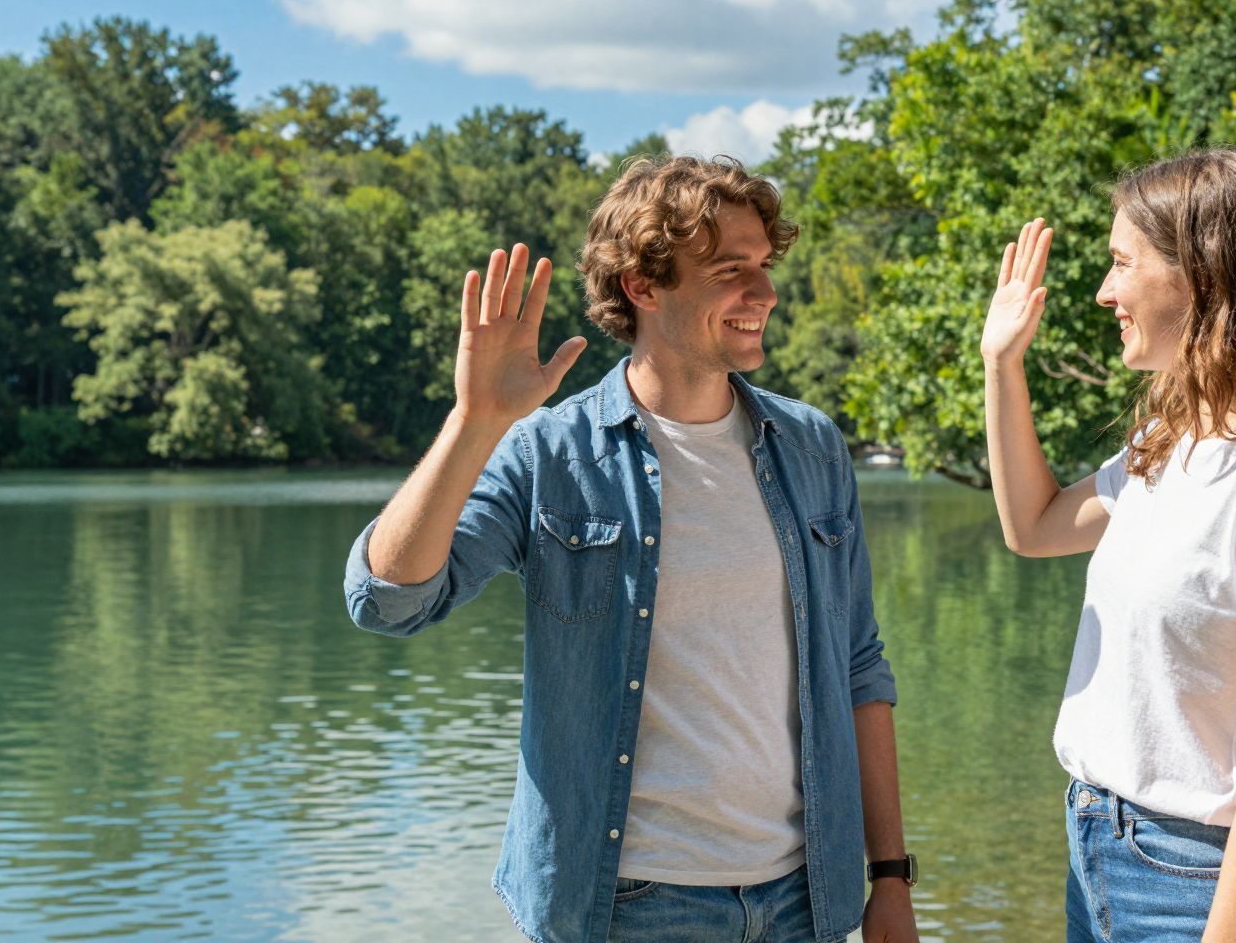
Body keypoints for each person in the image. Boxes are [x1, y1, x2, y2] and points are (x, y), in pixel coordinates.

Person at [343, 155, 919, 943]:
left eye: (763, 265)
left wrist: (888, 877)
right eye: (730, 270)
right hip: (626, 905)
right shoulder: (549, 453)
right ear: (643, 288)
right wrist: (474, 423)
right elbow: (388, 601)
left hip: (803, 899)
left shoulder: (811, 445)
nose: (765, 293)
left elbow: (860, 665)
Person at [978, 147, 1236, 943]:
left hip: (1201, 887)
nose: (1103, 292)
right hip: (1101, 852)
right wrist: (1003, 365)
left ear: (1199, 275)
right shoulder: (1169, 438)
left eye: (1120, 264)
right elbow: (1032, 528)